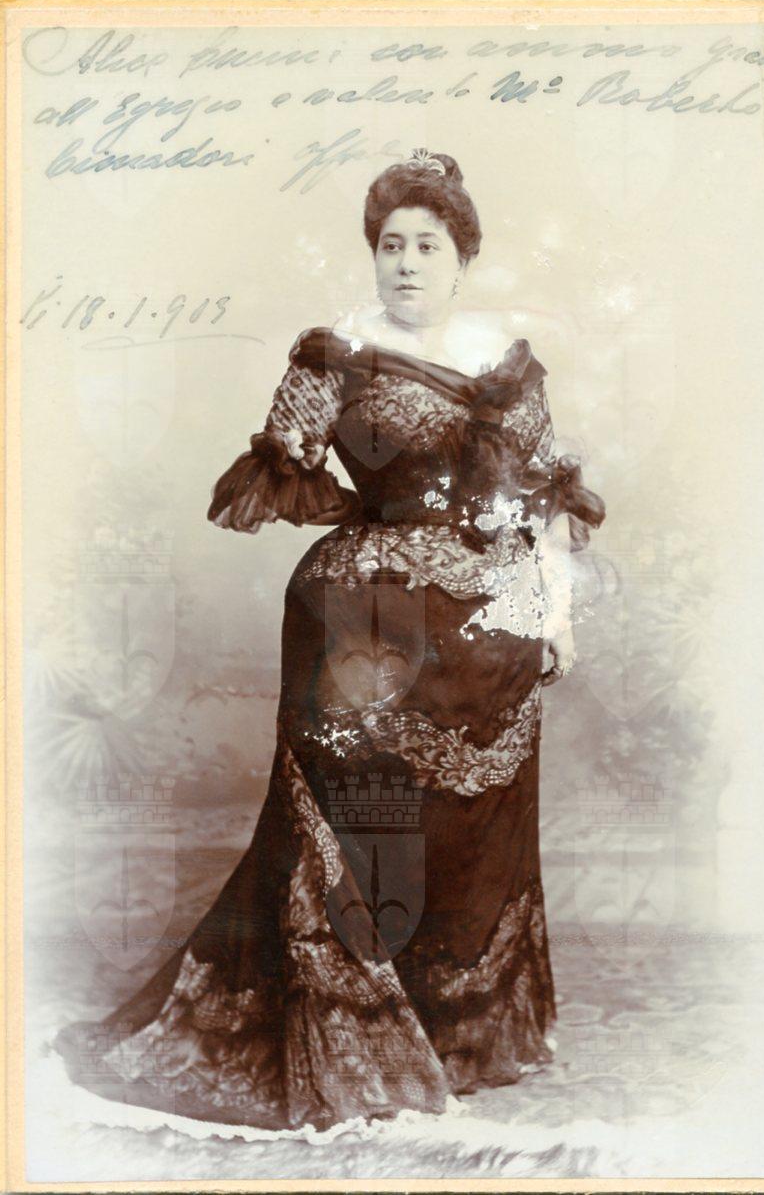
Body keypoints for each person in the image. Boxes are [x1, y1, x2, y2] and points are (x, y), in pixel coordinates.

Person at [53, 149, 606, 1133]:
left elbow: (545, 504)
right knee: (361, 816)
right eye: (390, 245)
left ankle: (454, 1032)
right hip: (366, 621)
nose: (405, 263)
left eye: (426, 245)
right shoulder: (333, 353)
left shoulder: (506, 363)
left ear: (461, 256)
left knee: (469, 832)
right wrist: (316, 448)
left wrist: (552, 614)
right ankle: (355, 1030)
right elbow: (287, 468)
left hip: (489, 632)